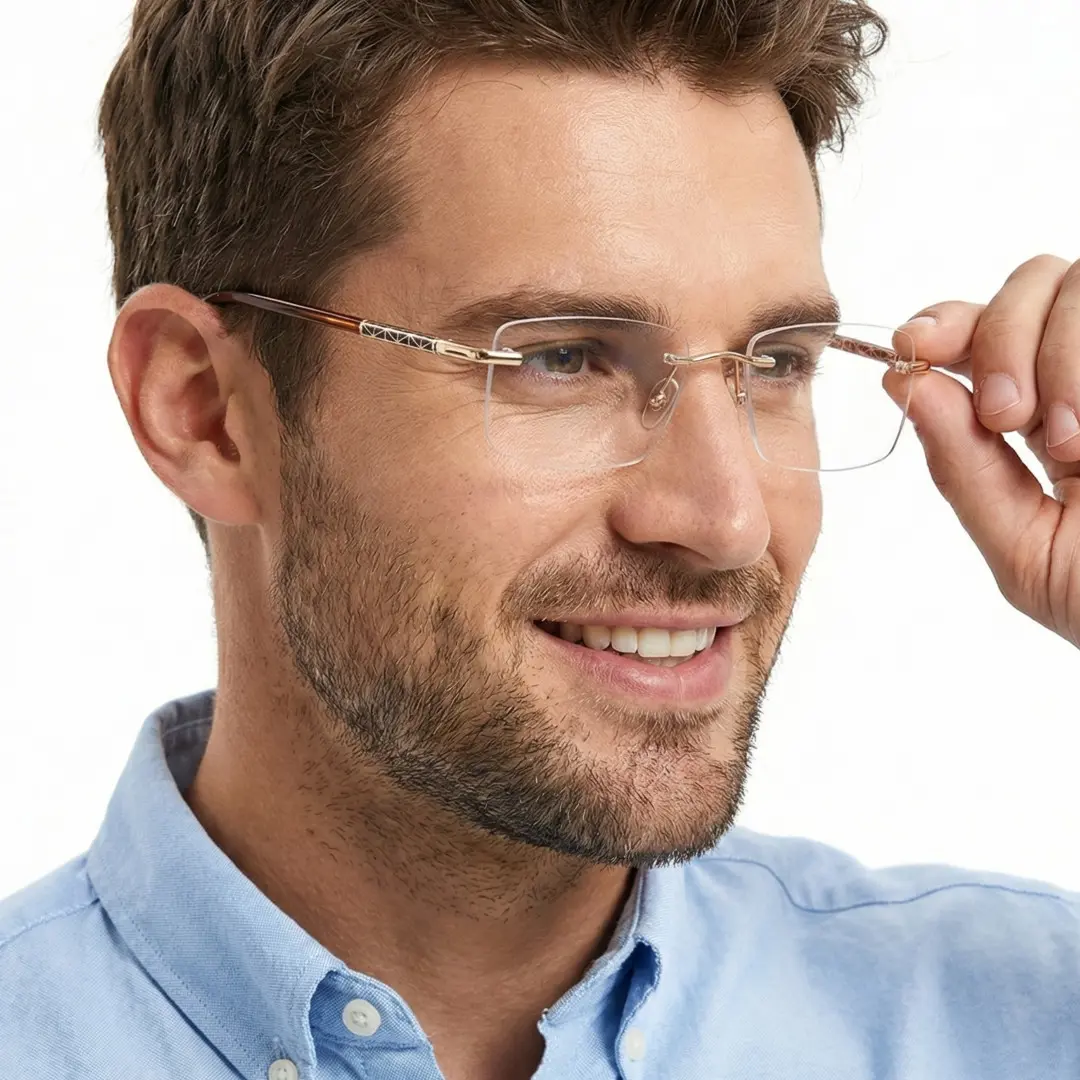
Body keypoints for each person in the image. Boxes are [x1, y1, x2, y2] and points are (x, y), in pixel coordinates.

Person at [3, 1, 1080, 1077]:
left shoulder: (1023, 1023)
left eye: (774, 361)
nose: (726, 520)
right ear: (206, 411)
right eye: (561, 358)